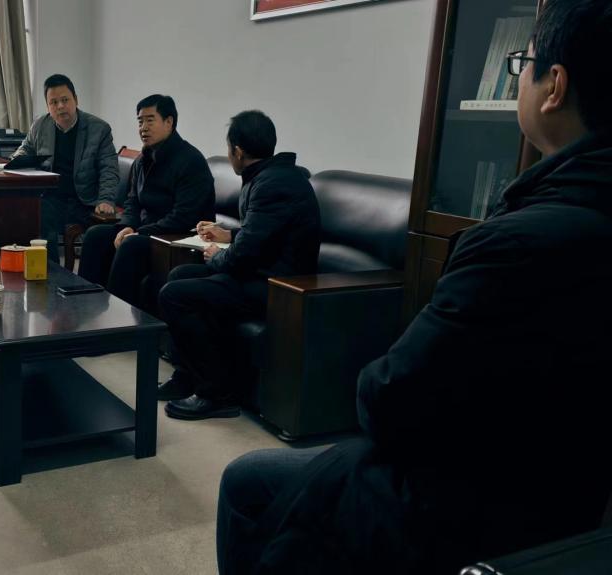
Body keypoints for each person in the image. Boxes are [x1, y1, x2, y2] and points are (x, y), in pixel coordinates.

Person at [217, 1, 612, 572]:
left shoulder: (513, 244)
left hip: (467, 503)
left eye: (522, 64)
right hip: (569, 504)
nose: (518, 78)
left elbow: (391, 398)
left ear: (555, 86)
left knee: (249, 479)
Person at [157, 110, 319, 420]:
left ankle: (216, 393)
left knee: (174, 295)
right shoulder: (273, 176)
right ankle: (188, 375)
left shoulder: (273, 184)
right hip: (261, 272)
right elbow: (266, 233)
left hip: (278, 287)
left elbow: (244, 254)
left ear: (238, 151)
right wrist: (229, 235)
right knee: (180, 274)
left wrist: (216, 255)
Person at [78, 94, 215, 310]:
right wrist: (127, 226)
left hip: (177, 238)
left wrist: (139, 232)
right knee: (96, 235)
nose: (143, 128)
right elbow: (133, 202)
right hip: (147, 231)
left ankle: (119, 317)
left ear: (169, 122)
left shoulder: (191, 161)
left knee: (131, 244)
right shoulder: (143, 160)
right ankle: (83, 306)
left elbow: (184, 217)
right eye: (140, 121)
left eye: (150, 120)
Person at [11, 74, 119, 263]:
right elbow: (25, 149)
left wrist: (106, 199)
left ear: (76, 100)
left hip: (85, 201)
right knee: (33, 214)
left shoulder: (99, 129)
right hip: (53, 198)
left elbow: (109, 169)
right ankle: (51, 271)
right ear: (48, 107)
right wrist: (16, 160)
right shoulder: (40, 125)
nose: (60, 106)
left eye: (65, 100)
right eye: (53, 102)